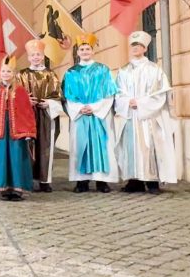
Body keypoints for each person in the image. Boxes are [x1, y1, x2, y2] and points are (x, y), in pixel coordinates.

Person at [115, 31, 177, 194]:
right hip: (130, 115)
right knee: (130, 147)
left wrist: (141, 103)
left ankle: (152, 181)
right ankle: (134, 181)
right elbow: (117, 92)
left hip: (148, 116)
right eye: (133, 45)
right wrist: (127, 101)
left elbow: (160, 93)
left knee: (149, 147)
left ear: (145, 48)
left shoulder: (154, 70)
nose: (135, 48)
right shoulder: (123, 71)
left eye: (139, 45)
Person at [62, 33, 119, 193]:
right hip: (80, 115)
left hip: (100, 115)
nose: (85, 51)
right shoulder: (71, 73)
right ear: (77, 52)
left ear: (93, 51)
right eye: (82, 49)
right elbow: (67, 97)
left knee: (102, 146)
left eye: (88, 49)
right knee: (80, 146)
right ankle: (82, 181)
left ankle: (102, 181)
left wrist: (94, 108)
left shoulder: (103, 70)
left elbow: (109, 94)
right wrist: (80, 108)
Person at [0, 56, 37, 200]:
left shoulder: (20, 90)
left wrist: (28, 131)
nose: (6, 74)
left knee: (17, 157)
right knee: (1, 158)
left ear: (13, 73)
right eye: (3, 71)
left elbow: (26, 112)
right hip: (0, 130)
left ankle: (17, 189)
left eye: (8, 71)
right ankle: (4, 188)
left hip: (16, 131)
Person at [19, 39, 63, 192]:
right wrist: (25, 100)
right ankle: (28, 179)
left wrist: (49, 103)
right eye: (33, 55)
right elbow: (15, 94)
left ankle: (45, 181)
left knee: (45, 147)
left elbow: (59, 95)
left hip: (46, 115)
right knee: (28, 146)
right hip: (28, 115)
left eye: (38, 54)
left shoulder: (51, 74)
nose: (35, 57)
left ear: (43, 56)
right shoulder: (22, 75)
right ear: (28, 57)